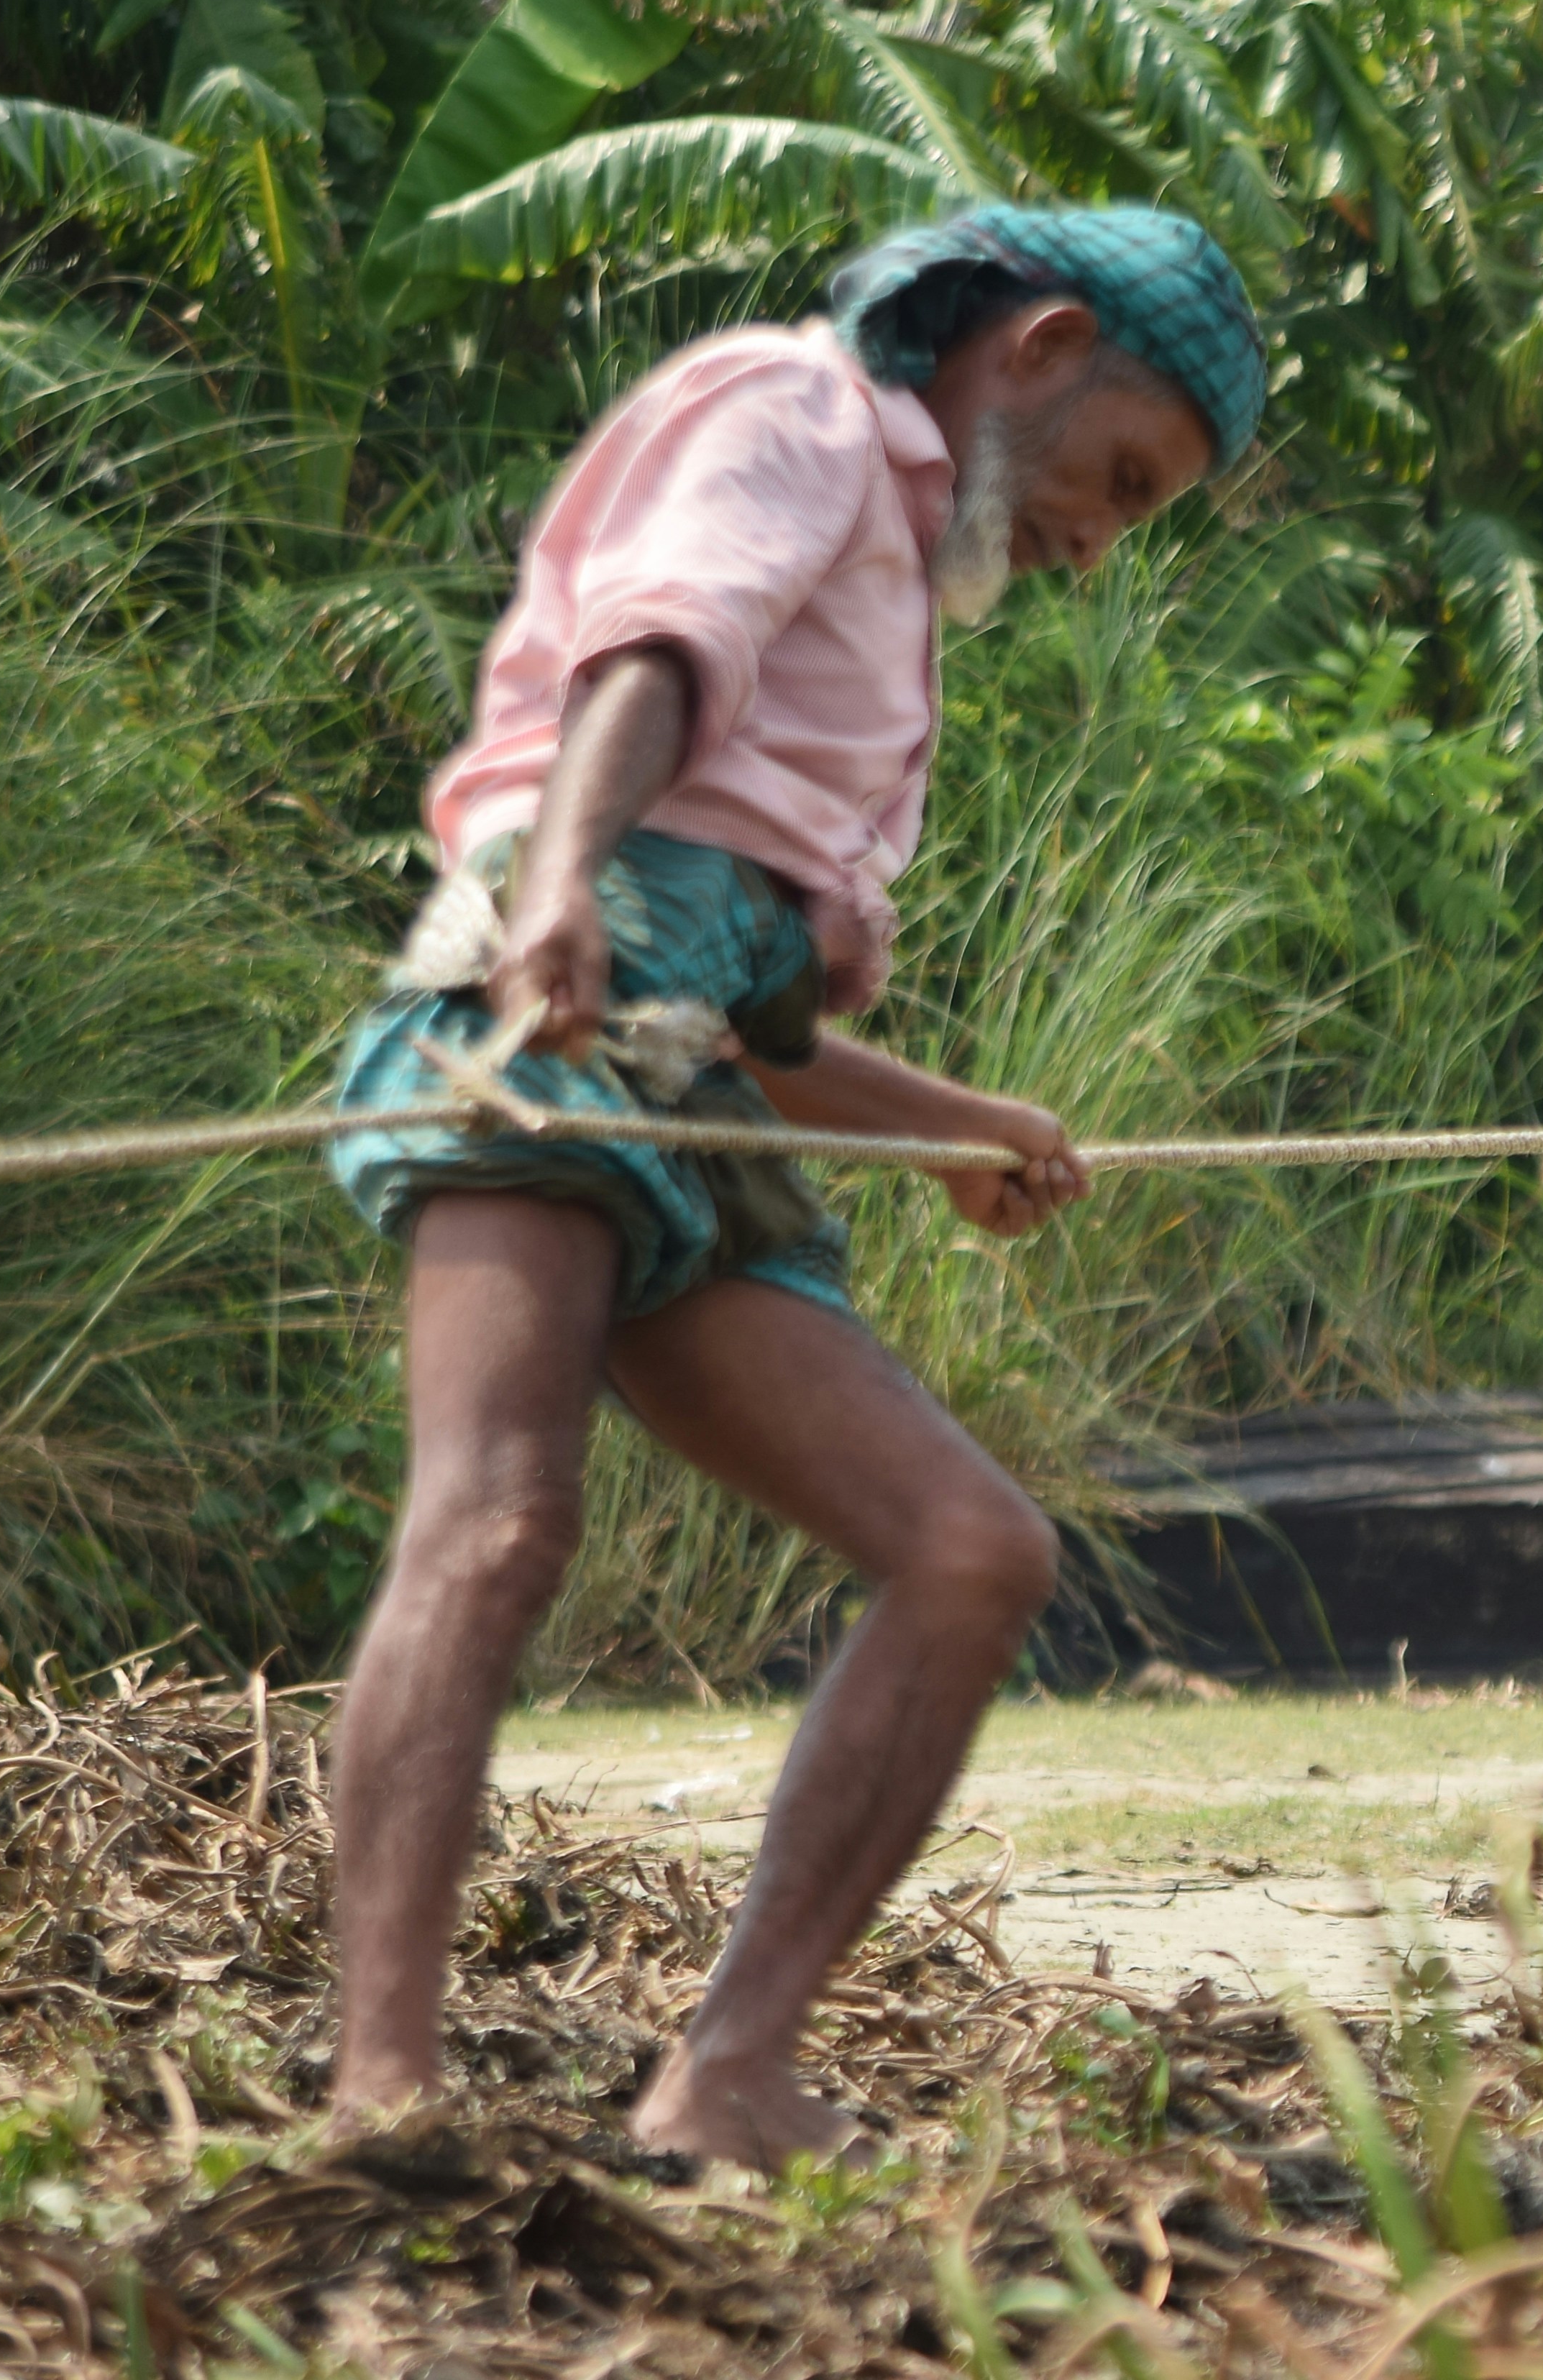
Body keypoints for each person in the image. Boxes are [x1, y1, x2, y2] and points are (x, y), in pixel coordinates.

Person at [316, 202, 1263, 2166]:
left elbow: (749, 1024)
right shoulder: (797, 409)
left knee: (974, 1549)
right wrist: (561, 880)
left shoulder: (907, 586)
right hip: (548, 1014)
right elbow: (653, 650)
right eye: (1119, 475)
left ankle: (727, 2074)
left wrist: (966, 1125)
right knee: (495, 1522)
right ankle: (381, 2096)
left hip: (686, 1071)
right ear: (1040, 343)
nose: (1099, 535)